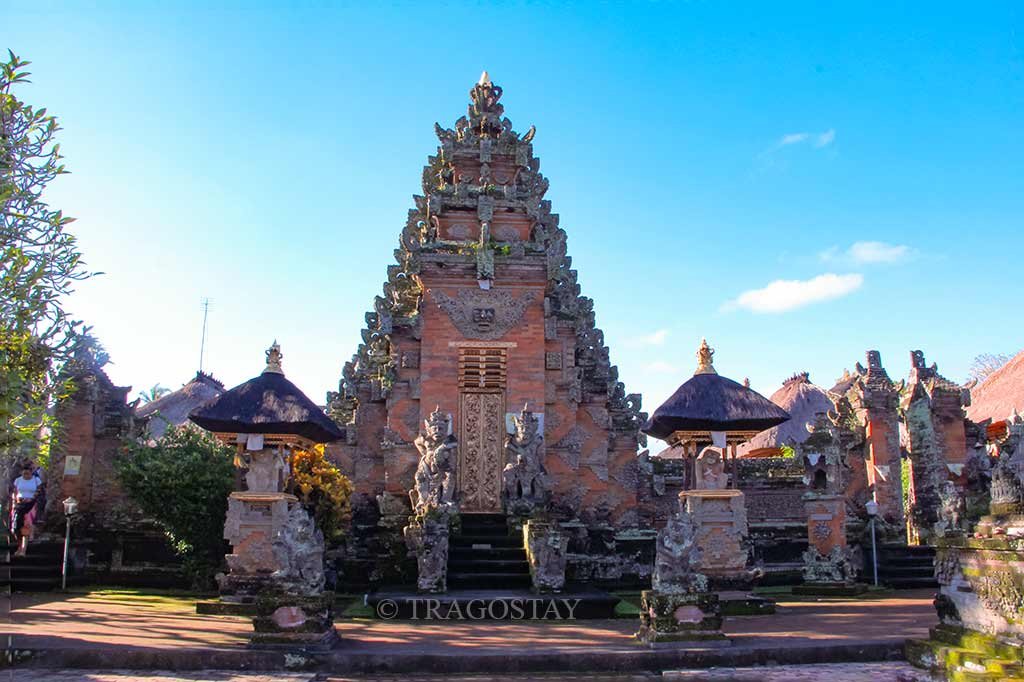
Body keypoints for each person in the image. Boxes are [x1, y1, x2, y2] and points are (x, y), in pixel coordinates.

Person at [11, 463, 41, 556]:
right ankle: (19, 547)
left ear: (31, 472)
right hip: (19, 505)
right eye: (24, 474)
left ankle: (23, 550)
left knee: (26, 526)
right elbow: (15, 492)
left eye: (28, 474)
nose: (26, 475)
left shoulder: (36, 480)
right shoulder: (18, 480)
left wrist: (32, 498)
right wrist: (15, 501)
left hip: (31, 505)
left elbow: (39, 490)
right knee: (16, 528)